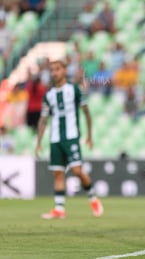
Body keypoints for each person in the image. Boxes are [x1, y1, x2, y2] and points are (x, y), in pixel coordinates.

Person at [35, 60, 103, 219]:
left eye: (57, 69)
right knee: (58, 173)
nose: (54, 73)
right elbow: (43, 119)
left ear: (65, 70)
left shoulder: (74, 89)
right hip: (55, 139)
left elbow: (86, 112)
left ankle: (93, 197)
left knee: (77, 171)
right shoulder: (49, 94)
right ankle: (59, 209)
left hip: (71, 137)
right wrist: (38, 142)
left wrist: (89, 135)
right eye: (52, 70)